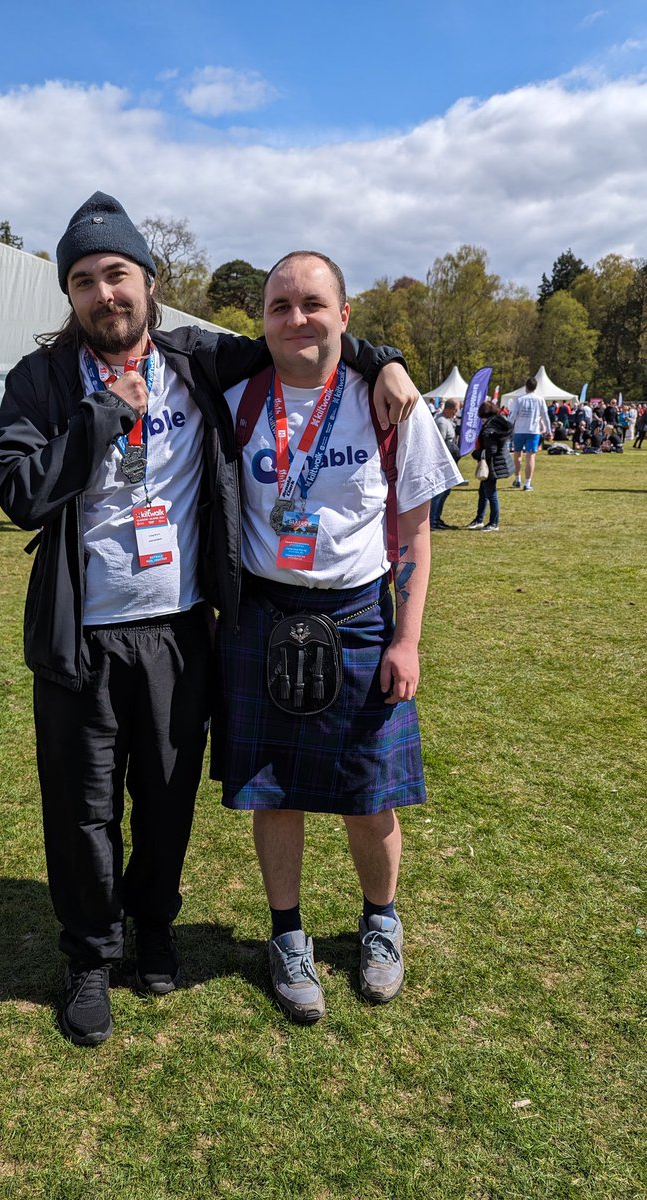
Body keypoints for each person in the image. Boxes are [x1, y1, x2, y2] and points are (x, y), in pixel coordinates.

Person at [0, 193, 418, 1045]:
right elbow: (19, 494)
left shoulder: (195, 359)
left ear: (148, 283)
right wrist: (101, 418)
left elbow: (302, 333)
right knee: (81, 807)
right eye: (83, 281)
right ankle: (87, 955)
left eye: (117, 275)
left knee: (168, 796)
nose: (103, 293)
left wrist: (388, 358)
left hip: (183, 632)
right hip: (80, 637)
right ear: (69, 296)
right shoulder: (38, 380)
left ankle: (153, 930)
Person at [211, 251, 462, 1023]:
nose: (297, 318)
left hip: (360, 614)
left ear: (345, 316)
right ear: (263, 320)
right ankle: (287, 936)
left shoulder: (389, 402)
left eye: (313, 303)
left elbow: (417, 534)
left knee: (368, 794)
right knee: (273, 790)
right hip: (263, 615)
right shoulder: (235, 398)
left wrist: (407, 640)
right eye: (279, 305)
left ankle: (379, 921)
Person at [467, 401, 513, 531]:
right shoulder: (497, 423)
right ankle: (479, 519)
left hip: (491, 465)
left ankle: (494, 523)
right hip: (495, 463)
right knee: (483, 492)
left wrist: (476, 454)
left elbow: (490, 450)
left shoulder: (489, 429)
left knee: (491, 493)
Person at [508, 377, 551, 490]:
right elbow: (545, 416)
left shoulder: (519, 399)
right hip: (533, 431)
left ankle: (517, 479)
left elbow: (512, 416)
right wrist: (549, 431)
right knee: (530, 457)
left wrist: (507, 428)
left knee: (517, 455)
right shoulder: (540, 399)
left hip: (519, 431)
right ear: (535, 387)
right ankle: (527, 483)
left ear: (526, 387)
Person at [429, 398, 460, 529]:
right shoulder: (441, 422)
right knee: (439, 493)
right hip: (442, 463)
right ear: (452, 409)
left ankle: (437, 518)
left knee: (445, 492)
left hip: (448, 462)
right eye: (456, 410)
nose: (456, 412)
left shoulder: (447, 421)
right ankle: (433, 520)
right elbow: (439, 444)